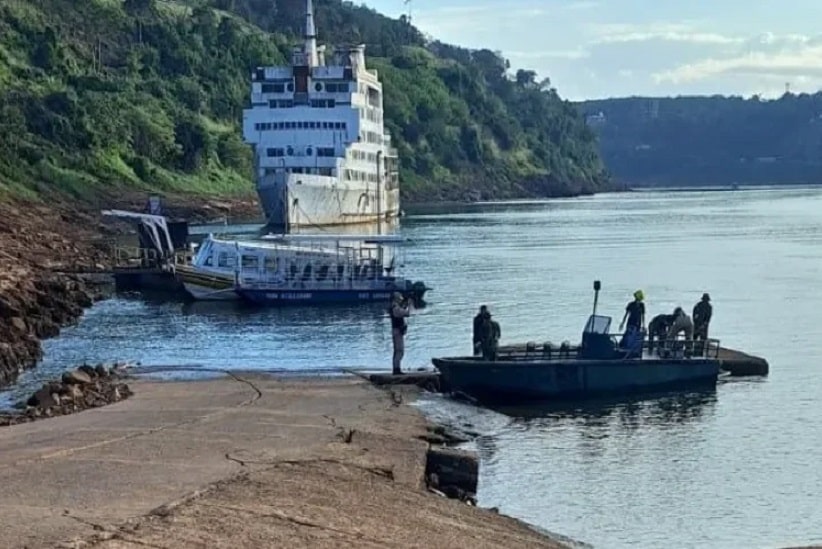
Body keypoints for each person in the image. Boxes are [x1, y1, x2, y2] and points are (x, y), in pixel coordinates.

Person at [389, 292, 411, 375]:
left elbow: (402, 311)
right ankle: (396, 370)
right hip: (397, 332)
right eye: (399, 298)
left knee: (397, 351)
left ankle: (397, 369)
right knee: (399, 351)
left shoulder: (394, 307)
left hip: (397, 331)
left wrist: (405, 305)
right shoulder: (395, 308)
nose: (400, 300)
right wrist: (408, 305)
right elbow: (406, 313)